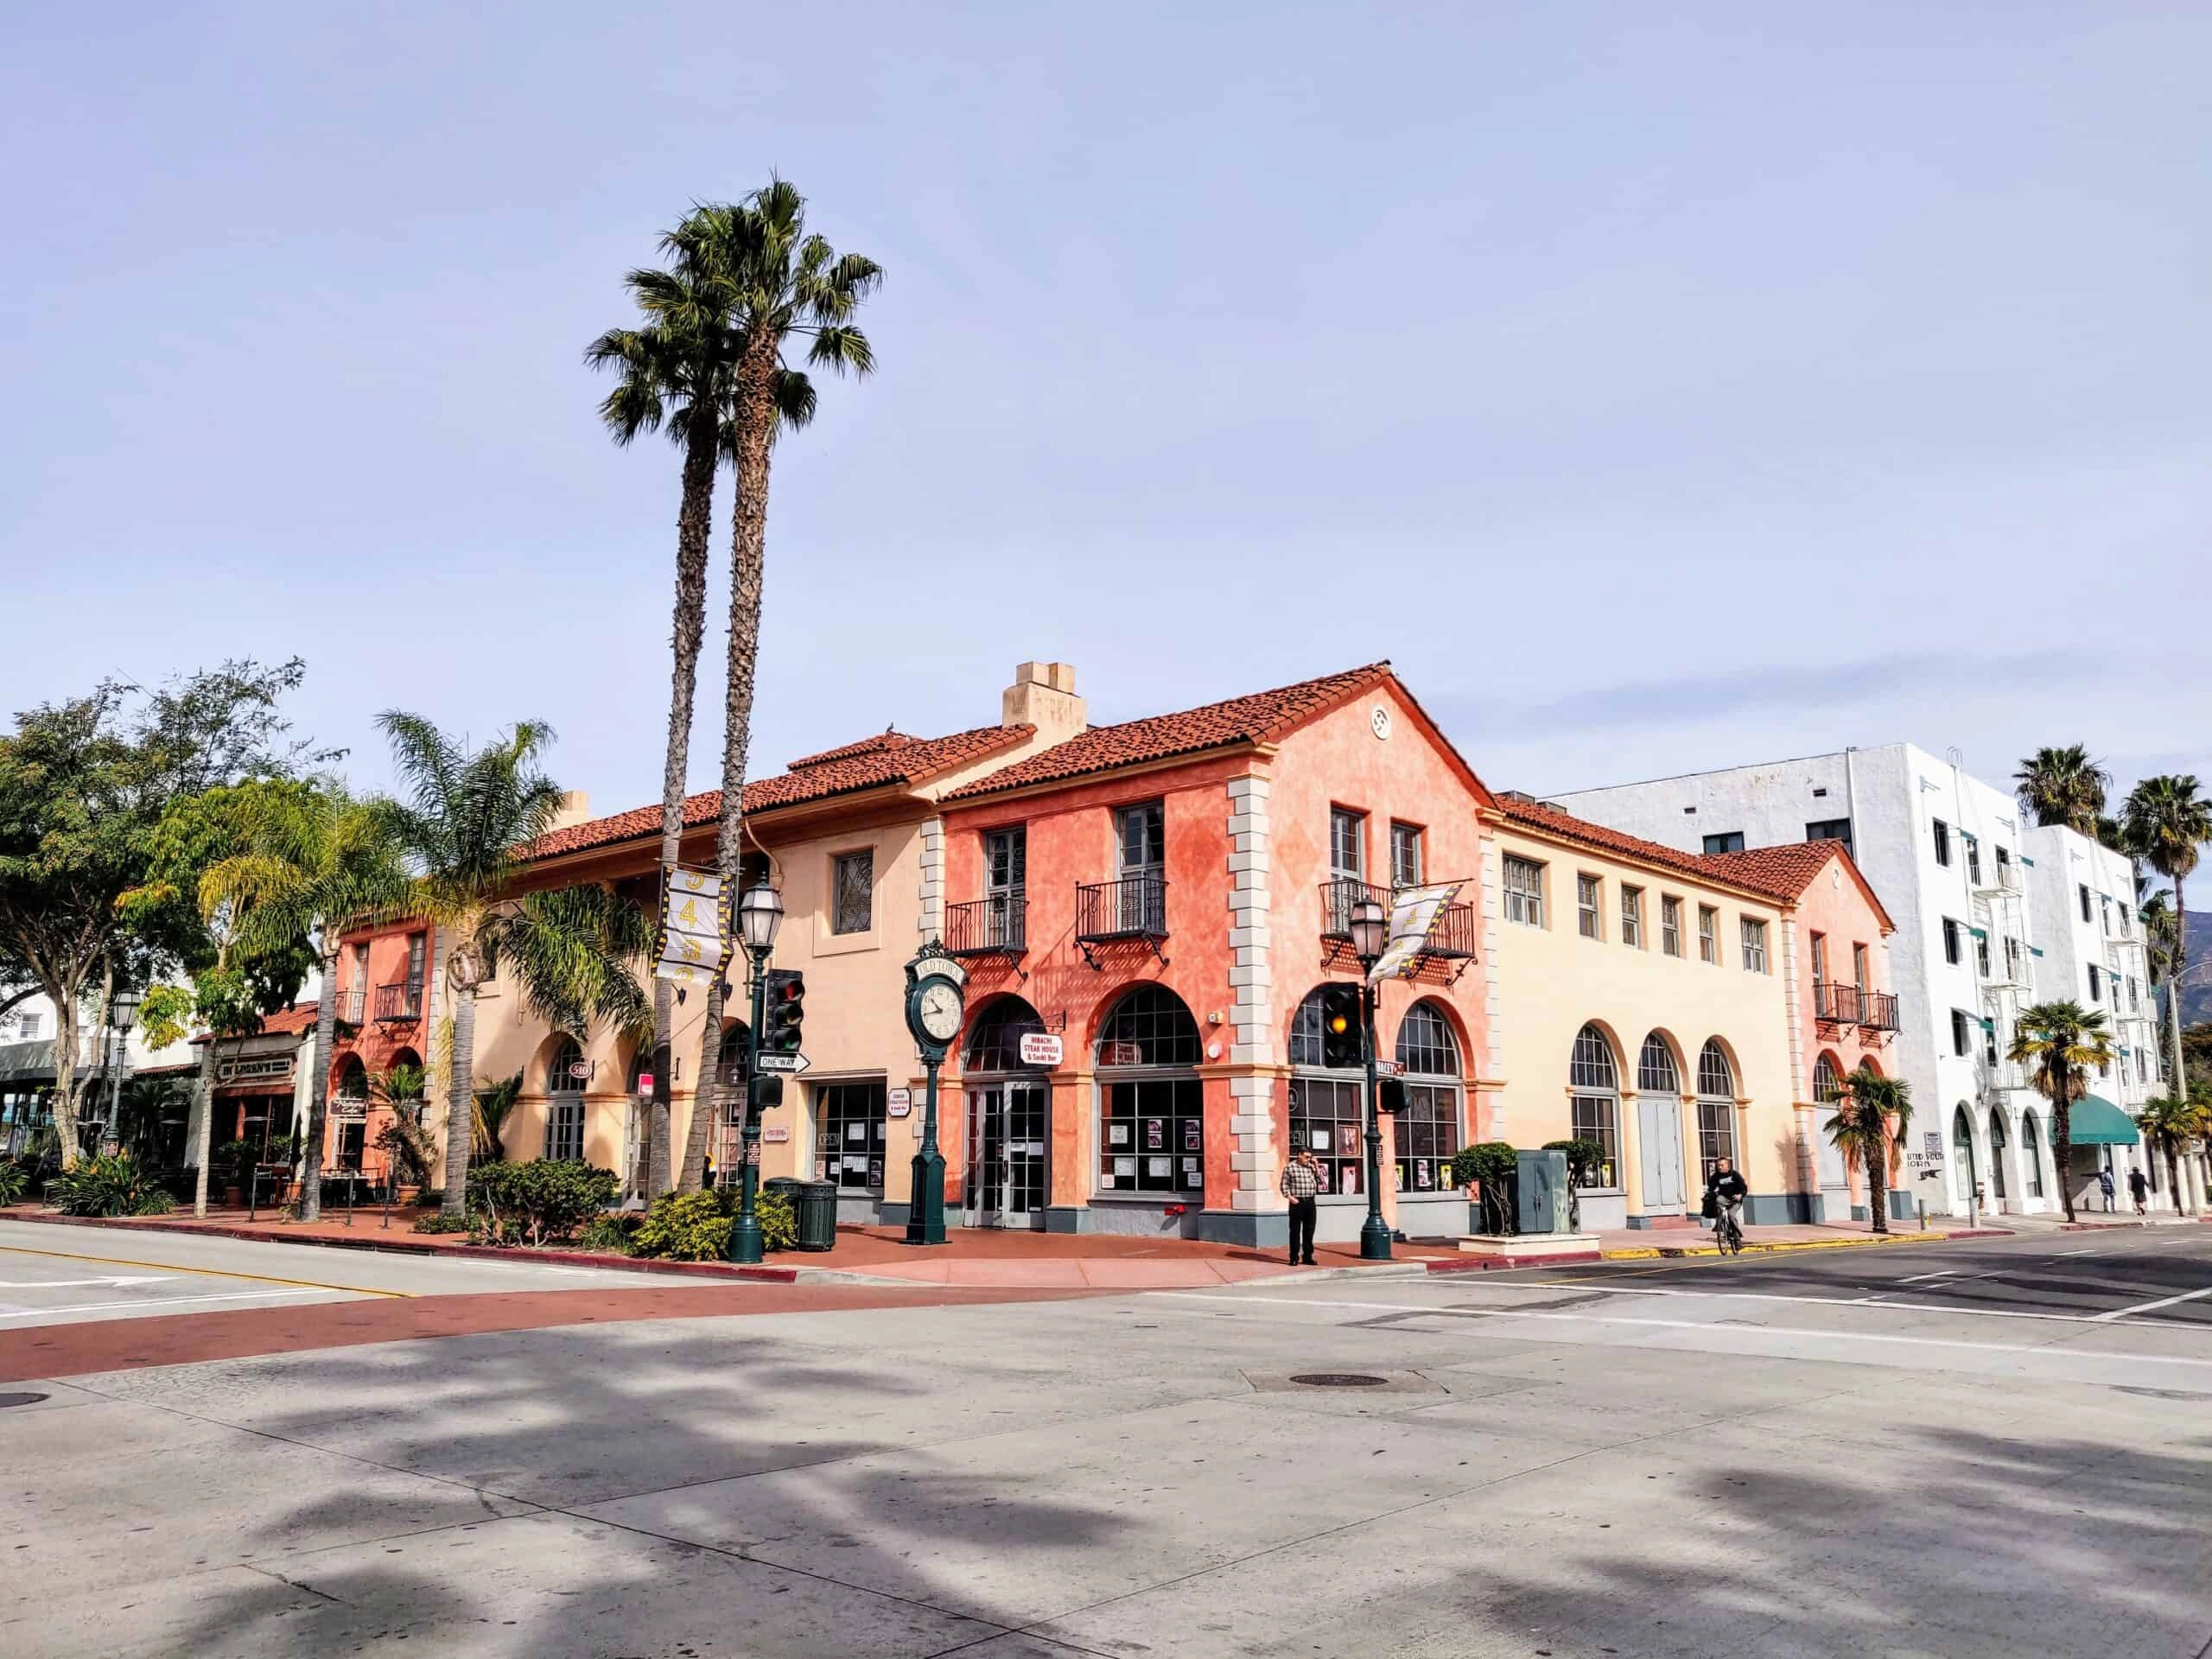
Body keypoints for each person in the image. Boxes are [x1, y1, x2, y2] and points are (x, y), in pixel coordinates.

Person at [1280, 1147, 1323, 1266]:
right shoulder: (1290, 1167)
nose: (1308, 1159)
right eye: (1306, 1157)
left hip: (1310, 1202)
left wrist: (1316, 1165)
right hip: (1297, 1203)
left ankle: (1307, 1257)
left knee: (1309, 1231)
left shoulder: (1311, 1167)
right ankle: (1294, 1258)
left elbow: (1321, 1181)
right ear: (1299, 1155)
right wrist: (1291, 1198)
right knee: (1295, 1231)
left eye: (1310, 1157)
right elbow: (1284, 1185)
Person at [1704, 1157, 1749, 1248]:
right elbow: (1711, 1188)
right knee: (1718, 1200)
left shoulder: (1734, 1175)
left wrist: (1740, 1195)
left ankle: (1737, 1238)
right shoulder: (1716, 1176)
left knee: (1731, 1215)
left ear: (1727, 1166)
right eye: (1718, 1165)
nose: (1720, 1167)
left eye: (1722, 1165)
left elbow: (1744, 1188)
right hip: (1724, 1198)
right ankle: (1720, 1222)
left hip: (1735, 1200)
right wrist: (1710, 1193)